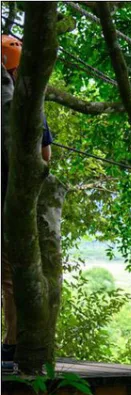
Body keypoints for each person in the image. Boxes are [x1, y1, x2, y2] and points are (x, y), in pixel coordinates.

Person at [2, 35, 54, 366]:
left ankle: (11, 343)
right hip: (14, 200)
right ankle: (11, 342)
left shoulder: (24, 106)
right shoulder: (31, 107)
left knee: (9, 275)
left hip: (13, 201)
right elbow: (46, 158)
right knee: (11, 276)